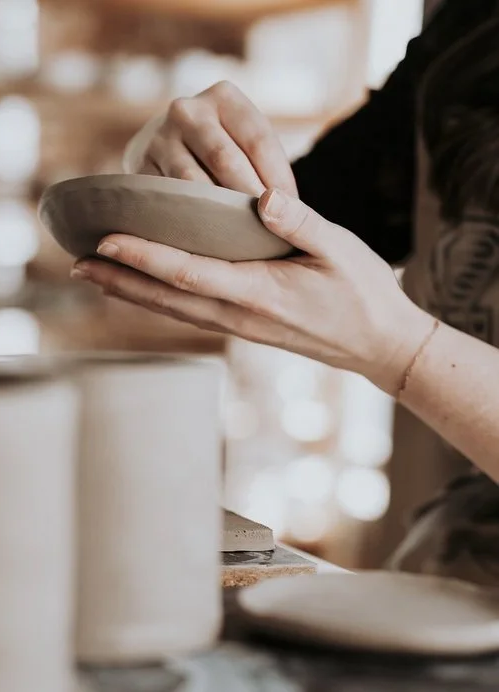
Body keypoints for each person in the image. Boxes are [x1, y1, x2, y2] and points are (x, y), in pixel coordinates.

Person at [71, 0, 499, 584]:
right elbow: (283, 225)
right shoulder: (470, 28)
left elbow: (383, 326)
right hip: (449, 578)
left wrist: (404, 351)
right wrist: (175, 167)